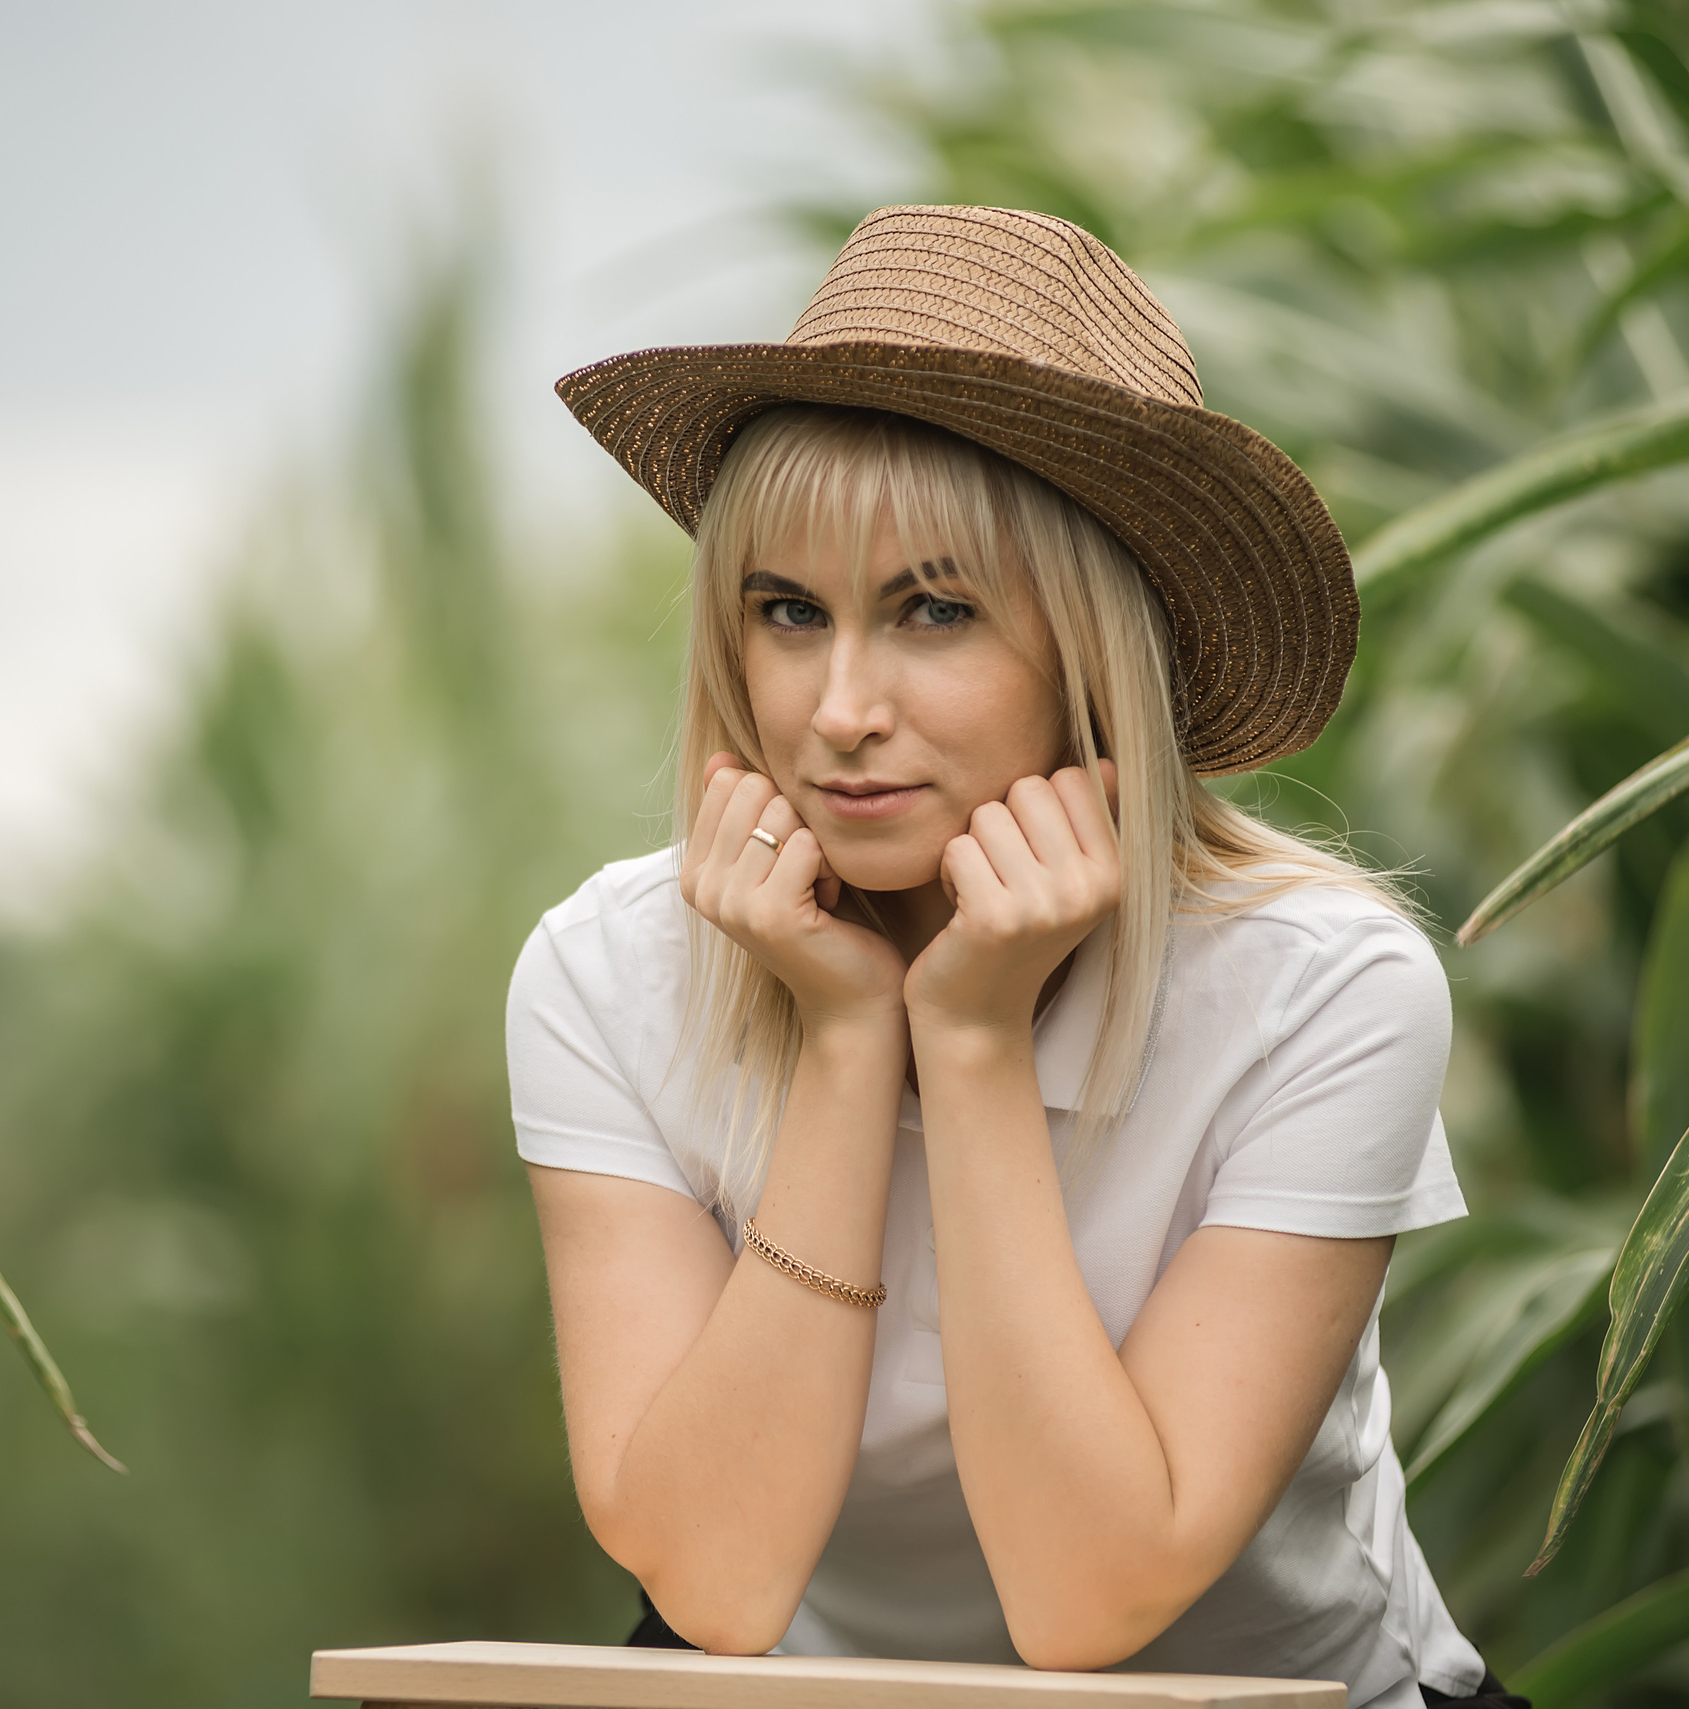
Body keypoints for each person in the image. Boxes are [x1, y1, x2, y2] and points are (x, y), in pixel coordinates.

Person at [506, 205, 1521, 1709]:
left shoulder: (1325, 987)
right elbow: (713, 1583)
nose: (839, 705)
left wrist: (970, 1045)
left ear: (1099, 654)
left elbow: (1091, 1595)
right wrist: (851, 1041)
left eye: (935, 609)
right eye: (789, 611)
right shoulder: (608, 972)